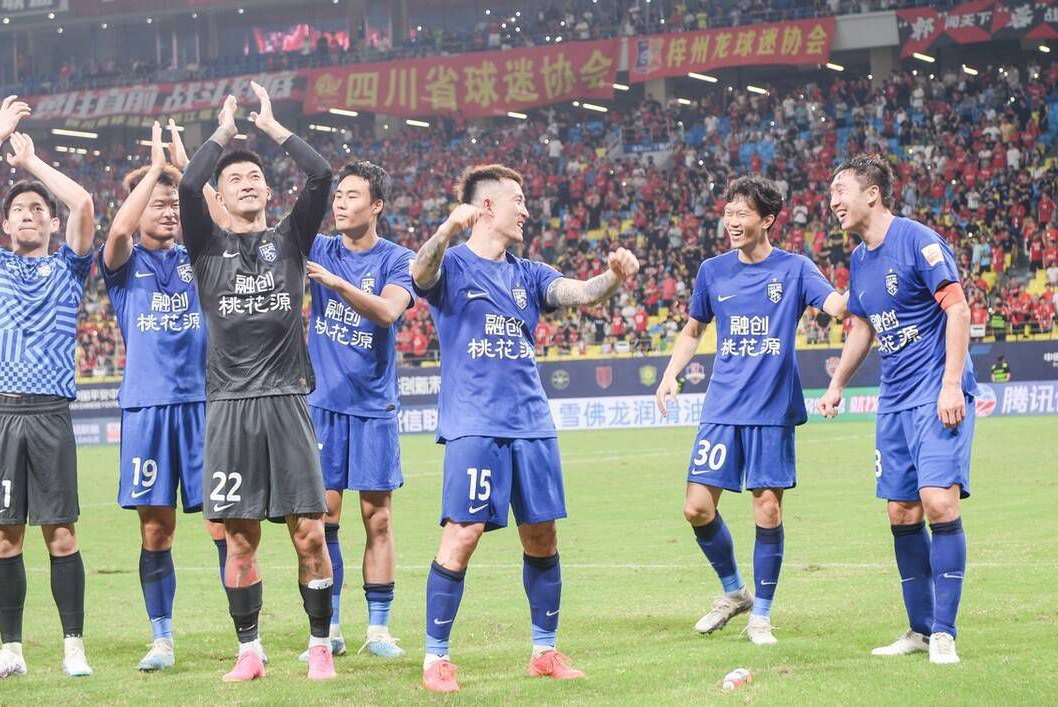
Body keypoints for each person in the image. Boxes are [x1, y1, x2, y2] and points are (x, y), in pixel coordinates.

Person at [411, 163, 639, 693]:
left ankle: (544, 651)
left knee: (541, 535)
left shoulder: (528, 273)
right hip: (474, 424)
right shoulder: (452, 264)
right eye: (519, 199)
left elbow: (581, 293)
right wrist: (446, 229)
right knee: (461, 535)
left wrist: (615, 277)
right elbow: (420, 275)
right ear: (487, 206)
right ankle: (436, 659)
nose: (527, 209)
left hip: (533, 424)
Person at [179, 83, 336, 682]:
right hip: (229, 406)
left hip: (287, 401)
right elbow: (187, 186)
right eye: (235, 179)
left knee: (310, 534)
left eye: (254, 178)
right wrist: (221, 133)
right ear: (222, 196)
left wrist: (271, 129)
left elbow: (320, 176)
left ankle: (319, 645)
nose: (245, 183)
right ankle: (250, 651)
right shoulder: (206, 246)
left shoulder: (291, 240)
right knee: (238, 539)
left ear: (269, 191)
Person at [655, 175, 849, 645]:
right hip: (721, 407)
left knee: (767, 511)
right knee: (696, 508)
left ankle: (761, 614)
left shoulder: (796, 268)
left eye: (743, 214)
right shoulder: (713, 271)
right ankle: (733, 591)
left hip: (771, 409)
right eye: (729, 214)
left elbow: (838, 307)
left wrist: (864, 274)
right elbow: (693, 329)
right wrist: (670, 373)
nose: (733, 222)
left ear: (767, 219)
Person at [0, 96, 98, 679]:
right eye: (20, 211)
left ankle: (72, 646)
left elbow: (85, 202)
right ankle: (10, 649)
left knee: (60, 534)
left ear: (51, 222)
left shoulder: (70, 267)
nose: (31, 215)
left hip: (48, 413)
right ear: (5, 224)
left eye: (40, 210)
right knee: (4, 536)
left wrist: (33, 164)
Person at [819, 154, 976, 665]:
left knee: (938, 503)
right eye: (832, 192)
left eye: (841, 189)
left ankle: (946, 633)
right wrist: (838, 383)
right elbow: (862, 327)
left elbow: (957, 307)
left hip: (936, 390)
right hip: (895, 399)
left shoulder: (918, 240)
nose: (833, 200)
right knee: (901, 511)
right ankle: (919, 629)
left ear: (873, 194)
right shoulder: (860, 260)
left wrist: (951, 384)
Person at [100, 121, 228, 671]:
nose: (169, 211)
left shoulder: (198, 255)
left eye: (175, 204)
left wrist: (190, 175)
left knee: (225, 523)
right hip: (148, 408)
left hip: (205, 407)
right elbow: (117, 231)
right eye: (159, 204)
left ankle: (248, 638)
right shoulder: (124, 265)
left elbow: (227, 226)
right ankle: (162, 638)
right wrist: (154, 171)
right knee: (156, 527)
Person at [303, 160, 415, 660]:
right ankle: (330, 630)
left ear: (376, 206)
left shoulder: (397, 259)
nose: (340, 203)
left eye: (352, 195)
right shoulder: (319, 246)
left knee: (378, 519)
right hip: (322, 405)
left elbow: (389, 311)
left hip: (373, 406)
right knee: (323, 520)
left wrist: (337, 284)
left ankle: (379, 630)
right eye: (338, 195)